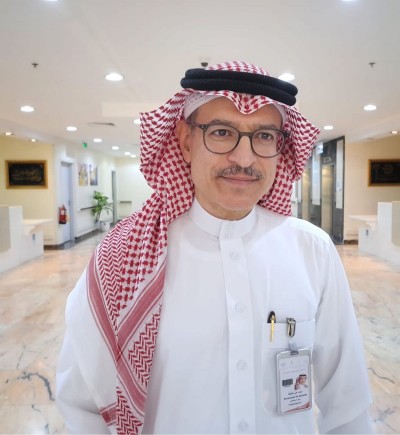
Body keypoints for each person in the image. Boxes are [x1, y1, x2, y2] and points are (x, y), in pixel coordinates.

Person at [56, 61, 372, 434]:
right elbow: (82, 405)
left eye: (264, 136)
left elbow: (347, 403)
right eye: (222, 132)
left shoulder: (312, 250)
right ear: (185, 141)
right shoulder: (122, 257)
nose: (244, 158)